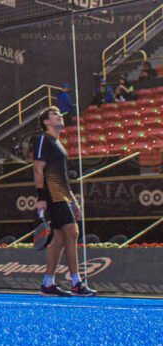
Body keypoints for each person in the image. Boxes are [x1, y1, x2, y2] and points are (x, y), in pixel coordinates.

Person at [33, 107, 96, 297]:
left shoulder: (57, 142)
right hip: (51, 194)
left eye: (60, 114)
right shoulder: (43, 139)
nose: (59, 116)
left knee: (60, 238)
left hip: (61, 193)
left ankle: (48, 284)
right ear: (46, 122)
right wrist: (41, 197)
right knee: (72, 231)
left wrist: (73, 202)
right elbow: (37, 168)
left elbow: (62, 177)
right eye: (55, 114)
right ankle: (76, 283)